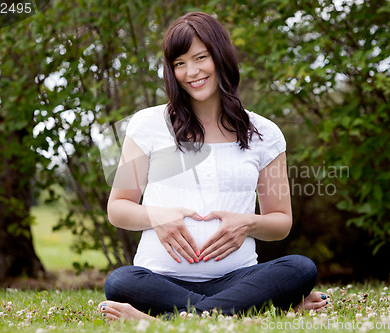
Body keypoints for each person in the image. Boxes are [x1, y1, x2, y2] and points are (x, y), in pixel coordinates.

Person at [97, 12, 327, 321]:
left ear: (220, 56)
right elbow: (118, 208)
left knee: (300, 268)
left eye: (200, 58)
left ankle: (167, 319)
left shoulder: (265, 133)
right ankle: (242, 312)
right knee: (120, 280)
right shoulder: (147, 125)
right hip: (160, 279)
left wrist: (247, 223)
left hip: (237, 278)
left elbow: (281, 221)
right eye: (179, 63)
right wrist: (158, 217)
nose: (191, 72)